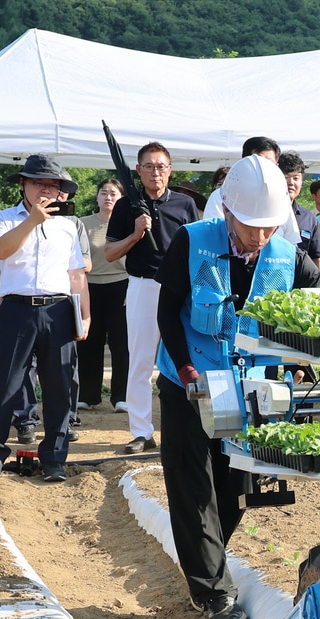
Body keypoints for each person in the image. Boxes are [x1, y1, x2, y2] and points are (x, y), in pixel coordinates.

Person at [154, 155, 320, 619]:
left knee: (231, 486)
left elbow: (319, 307)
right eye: (251, 226)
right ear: (227, 211)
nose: (259, 237)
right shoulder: (192, 241)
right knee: (193, 484)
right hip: (190, 379)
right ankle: (212, 595)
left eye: (268, 227)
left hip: (248, 386)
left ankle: (207, 562)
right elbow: (168, 312)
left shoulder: (290, 257)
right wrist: (186, 370)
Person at [0, 156, 91, 481]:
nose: (46, 190)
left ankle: (54, 458)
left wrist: (85, 313)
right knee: (5, 384)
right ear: (23, 185)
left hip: (58, 310)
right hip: (17, 308)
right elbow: (0, 251)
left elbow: (76, 275)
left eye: (53, 185)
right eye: (39, 183)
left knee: (60, 386)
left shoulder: (68, 225)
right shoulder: (4, 217)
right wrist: (32, 221)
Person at [104, 140, 200, 454]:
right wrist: (135, 234)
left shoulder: (185, 205)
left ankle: (192, 426)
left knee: (187, 357)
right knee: (140, 360)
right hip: (143, 285)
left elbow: (196, 250)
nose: (155, 173)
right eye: (149, 167)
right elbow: (109, 253)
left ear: (170, 170)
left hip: (179, 288)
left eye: (160, 167)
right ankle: (142, 432)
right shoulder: (125, 205)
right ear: (138, 170)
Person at [78, 178, 129, 410]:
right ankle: (88, 396)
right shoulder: (82, 224)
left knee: (122, 344)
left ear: (121, 198)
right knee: (89, 343)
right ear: (97, 197)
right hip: (90, 288)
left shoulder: (129, 224)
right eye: (104, 192)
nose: (108, 197)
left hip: (121, 287)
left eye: (113, 193)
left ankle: (121, 397)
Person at [278, 151, 320, 274]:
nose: (291, 183)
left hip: (300, 285)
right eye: (285, 177)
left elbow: (316, 257)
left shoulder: (308, 218)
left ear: (302, 182)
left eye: (296, 178)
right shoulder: (262, 213)